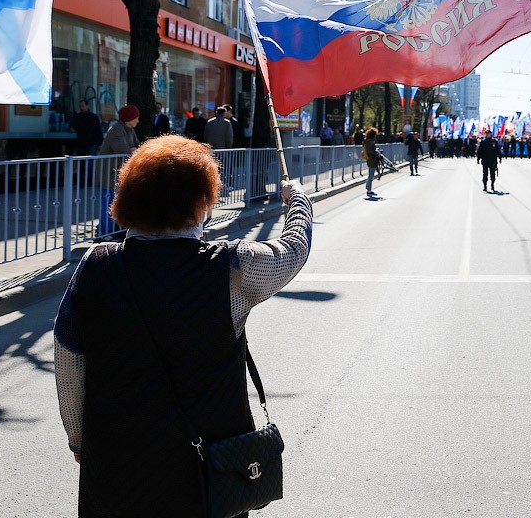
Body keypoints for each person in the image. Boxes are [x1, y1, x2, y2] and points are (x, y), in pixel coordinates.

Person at [54, 135, 311, 517]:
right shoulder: (231, 267)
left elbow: (69, 362)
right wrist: (298, 202)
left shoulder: (95, 265)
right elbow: (293, 251)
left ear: (129, 197)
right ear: (201, 201)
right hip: (209, 463)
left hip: (117, 459)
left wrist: (80, 440)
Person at [98, 104, 141, 236]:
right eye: (136, 118)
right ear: (129, 119)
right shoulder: (117, 129)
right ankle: (106, 233)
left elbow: (137, 146)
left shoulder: (129, 130)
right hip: (109, 174)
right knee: (108, 203)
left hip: (119, 174)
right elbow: (123, 149)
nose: (138, 121)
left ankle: (112, 230)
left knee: (115, 202)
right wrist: (131, 149)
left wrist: (133, 149)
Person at [362, 127, 379, 196]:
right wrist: (376, 152)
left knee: (370, 174)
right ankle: (369, 190)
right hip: (372, 159)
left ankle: (368, 187)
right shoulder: (370, 142)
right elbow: (371, 151)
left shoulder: (366, 141)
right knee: (371, 175)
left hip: (369, 158)